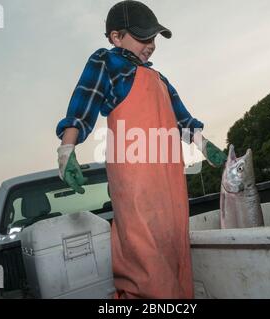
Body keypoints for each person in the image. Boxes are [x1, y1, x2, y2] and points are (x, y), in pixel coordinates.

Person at [56, 0, 226, 299]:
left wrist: (205, 146)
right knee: (144, 261)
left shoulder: (160, 79)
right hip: (135, 179)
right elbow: (85, 102)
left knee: (176, 252)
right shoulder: (107, 63)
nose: (151, 45)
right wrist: (67, 150)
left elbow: (184, 120)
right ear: (115, 36)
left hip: (171, 180)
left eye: (153, 38)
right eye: (143, 36)